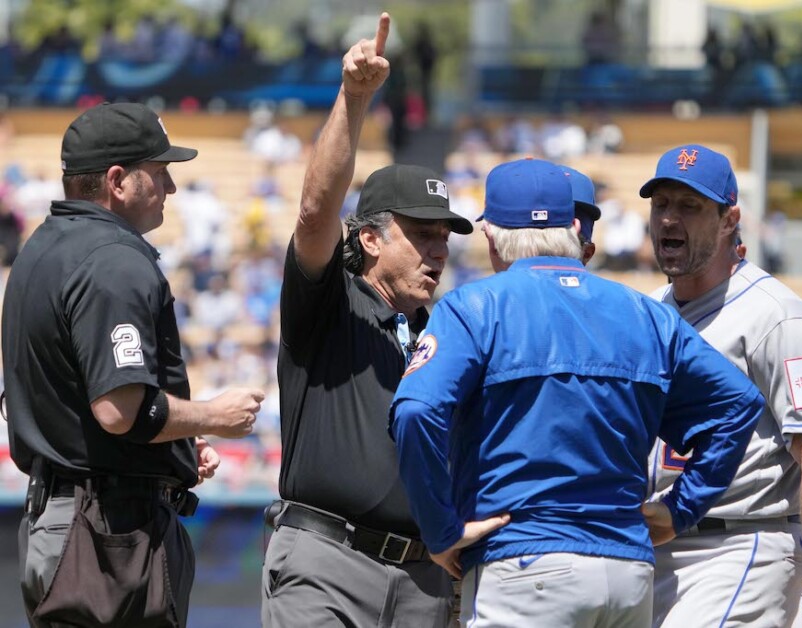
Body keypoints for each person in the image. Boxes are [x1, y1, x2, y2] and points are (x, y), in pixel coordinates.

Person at [389, 157, 765, 627]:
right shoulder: (646, 313)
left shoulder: (474, 306)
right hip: (627, 571)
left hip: (524, 561)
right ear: (573, 230)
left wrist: (441, 530)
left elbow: (415, 412)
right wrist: (680, 509)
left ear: (491, 235)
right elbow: (739, 404)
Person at [1, 102, 265, 628]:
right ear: (117, 181)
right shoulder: (112, 258)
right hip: (105, 537)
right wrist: (212, 416)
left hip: (64, 518)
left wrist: (179, 439)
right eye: (160, 172)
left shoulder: (43, 247)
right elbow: (119, 411)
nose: (169, 188)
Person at [260, 14, 473, 628]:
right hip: (327, 563)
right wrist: (354, 99)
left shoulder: (447, 333)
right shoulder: (330, 303)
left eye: (445, 237)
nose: (438, 249)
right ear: (372, 241)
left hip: (424, 581)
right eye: (421, 235)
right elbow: (314, 211)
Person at [640, 144, 802, 627]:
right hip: (657, 546)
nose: (670, 220)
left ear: (729, 219)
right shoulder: (648, 310)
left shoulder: (778, 316)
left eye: (689, 206)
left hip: (742, 544)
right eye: (661, 205)